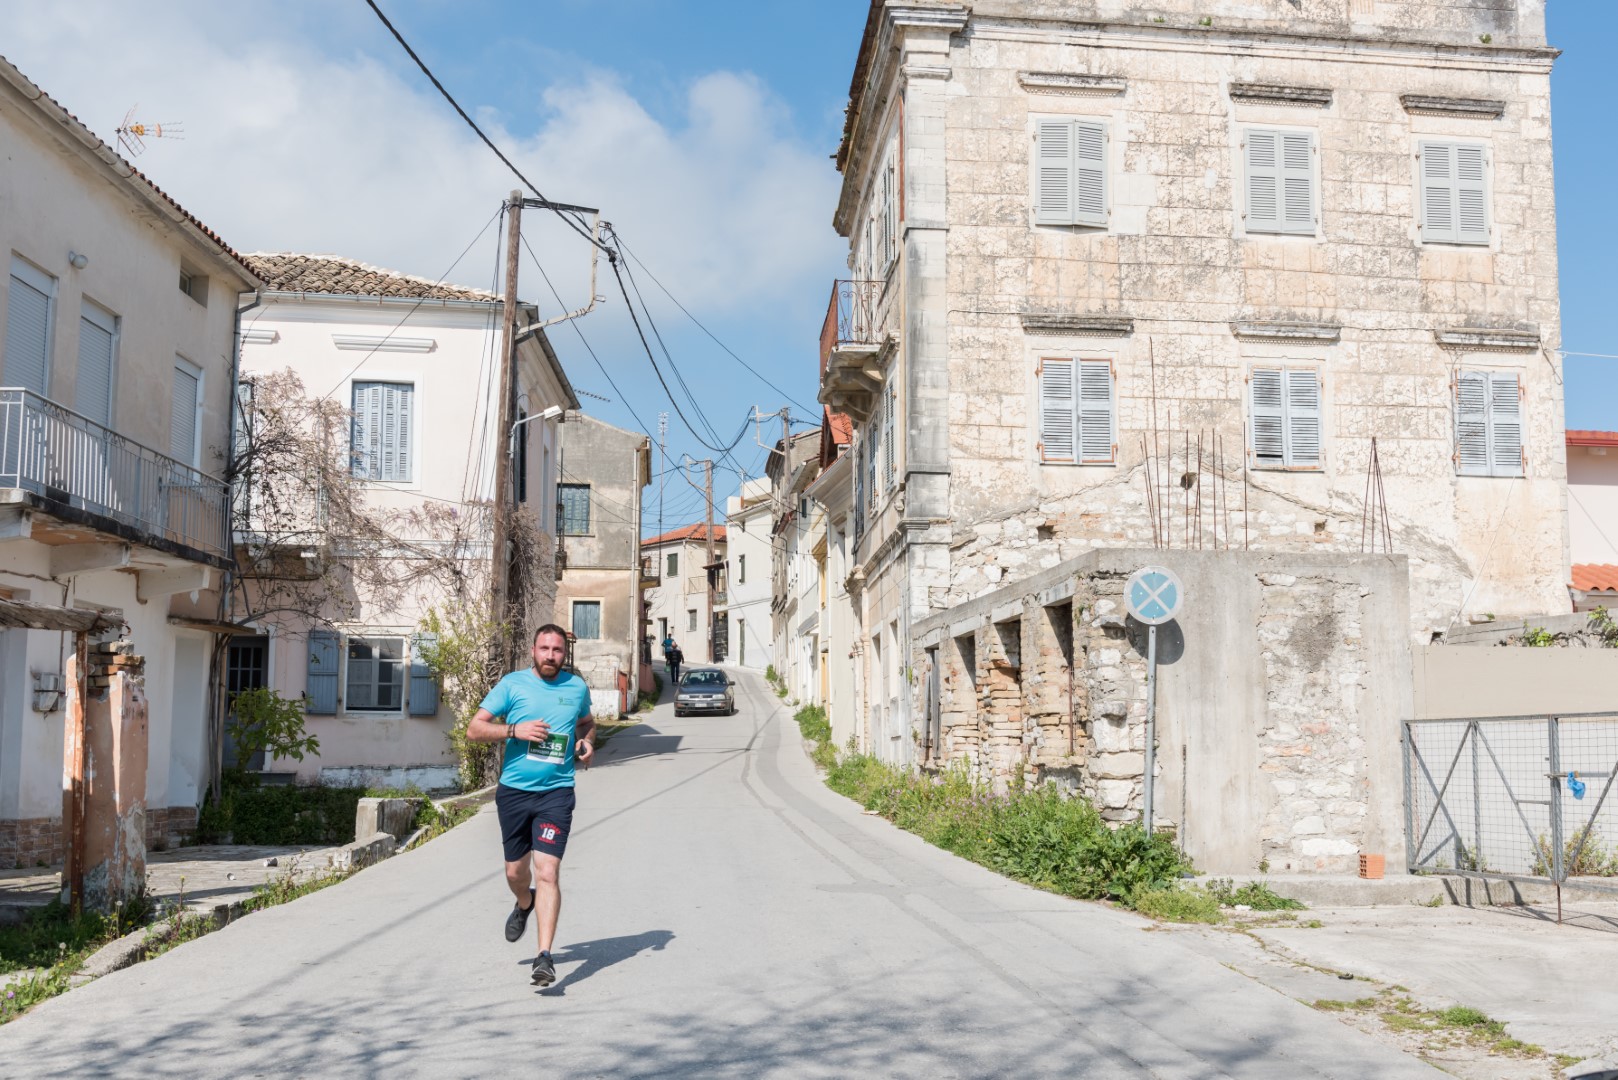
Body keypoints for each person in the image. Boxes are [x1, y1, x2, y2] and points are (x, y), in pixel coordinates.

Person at [466, 624, 595, 987]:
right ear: (533, 650)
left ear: (564, 653)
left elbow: (587, 723)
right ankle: (525, 902)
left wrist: (587, 742)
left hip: (557, 793)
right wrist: (514, 730)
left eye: (557, 650)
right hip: (514, 793)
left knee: (548, 872)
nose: (551, 656)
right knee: (515, 873)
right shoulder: (513, 685)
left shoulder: (576, 687)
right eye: (544, 649)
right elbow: (474, 730)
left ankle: (544, 957)